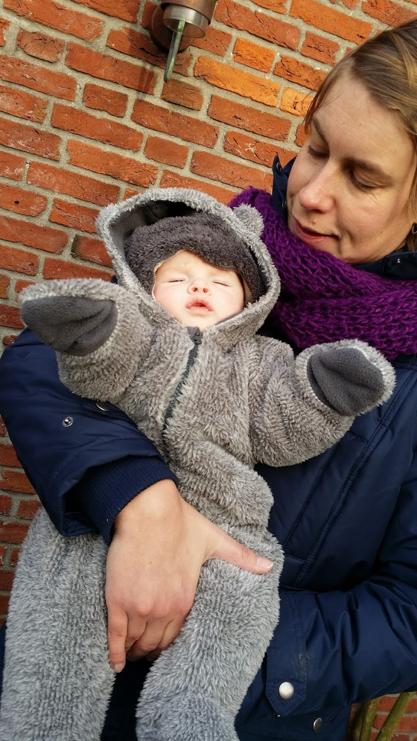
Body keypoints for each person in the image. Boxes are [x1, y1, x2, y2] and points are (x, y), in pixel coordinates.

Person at [1, 16, 417, 741]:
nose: (312, 192)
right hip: (62, 674)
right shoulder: (225, 248)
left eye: (362, 177)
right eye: (315, 146)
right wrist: (137, 497)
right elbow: (47, 359)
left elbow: (407, 611)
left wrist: (218, 632)